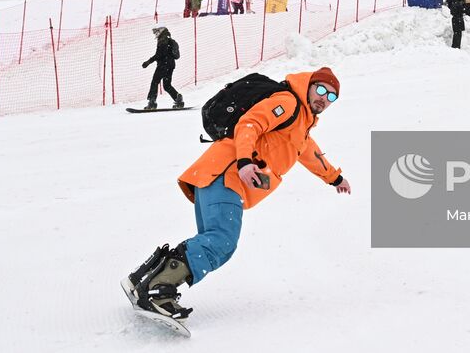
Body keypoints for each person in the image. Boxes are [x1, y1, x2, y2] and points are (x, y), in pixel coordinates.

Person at [122, 68, 349, 325]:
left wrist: (335, 178)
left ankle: (142, 279)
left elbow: (311, 154)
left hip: (216, 174)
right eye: (320, 90)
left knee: (211, 241)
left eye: (331, 97)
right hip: (226, 174)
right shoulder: (288, 103)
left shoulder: (301, 127)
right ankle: (157, 291)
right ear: (308, 85)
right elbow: (249, 124)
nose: (324, 98)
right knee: (221, 242)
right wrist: (243, 161)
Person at [141, 25, 185, 110]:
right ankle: (178, 99)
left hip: (163, 65)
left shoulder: (162, 40)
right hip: (171, 65)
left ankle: (152, 102)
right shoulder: (170, 41)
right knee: (167, 85)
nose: (156, 34)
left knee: (155, 82)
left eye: (157, 31)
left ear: (161, 31)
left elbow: (159, 55)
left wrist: (148, 62)